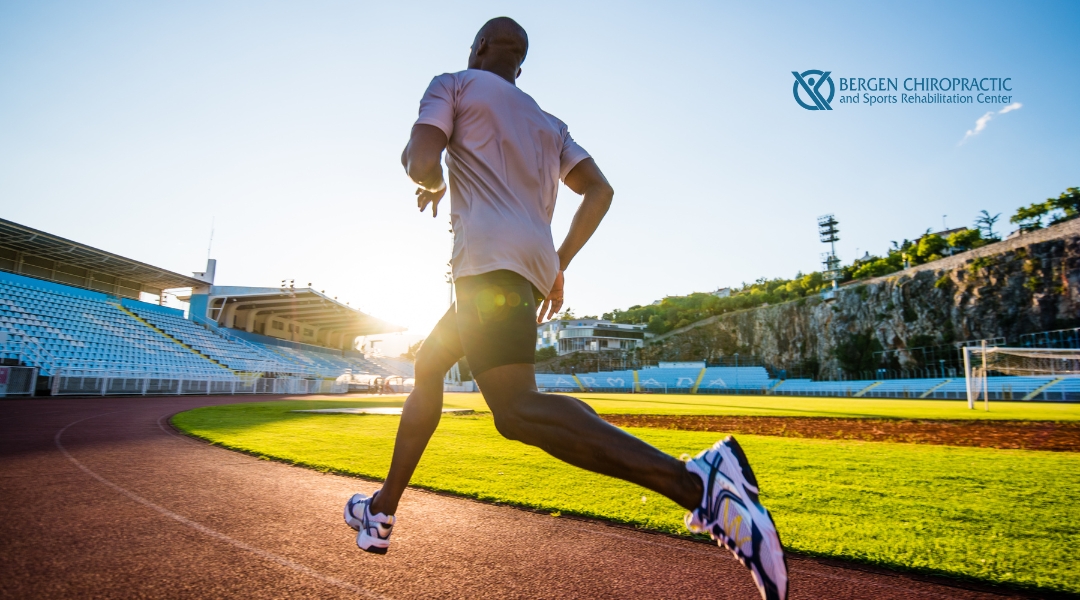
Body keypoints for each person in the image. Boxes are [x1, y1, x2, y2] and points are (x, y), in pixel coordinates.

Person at [344, 17, 787, 600]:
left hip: (486, 267)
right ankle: (381, 510)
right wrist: (560, 262)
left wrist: (427, 180)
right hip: (523, 270)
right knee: (429, 366)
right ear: (520, 63)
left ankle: (699, 483)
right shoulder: (550, 124)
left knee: (516, 410)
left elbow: (420, 159)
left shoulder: (452, 84)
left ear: (477, 49)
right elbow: (600, 191)